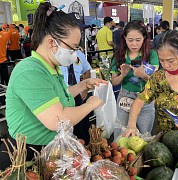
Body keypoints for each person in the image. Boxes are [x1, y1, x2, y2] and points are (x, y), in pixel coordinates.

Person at [0, 2, 106, 170]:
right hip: (27, 155)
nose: (75, 53)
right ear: (51, 43)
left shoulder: (51, 67)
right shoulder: (30, 71)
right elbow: (58, 119)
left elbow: (56, 97)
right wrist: (90, 105)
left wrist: (83, 85)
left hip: (50, 150)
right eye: (72, 48)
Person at [110, 20, 159, 139]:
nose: (134, 44)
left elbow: (156, 83)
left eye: (138, 40)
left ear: (144, 38)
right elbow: (114, 82)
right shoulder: (119, 55)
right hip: (125, 97)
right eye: (130, 40)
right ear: (124, 39)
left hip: (146, 99)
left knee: (144, 136)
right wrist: (122, 75)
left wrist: (143, 75)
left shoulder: (151, 55)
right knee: (121, 135)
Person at [59, 50, 92, 144]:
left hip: (77, 94)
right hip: (62, 95)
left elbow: (87, 70)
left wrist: (84, 89)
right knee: (65, 127)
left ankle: (84, 149)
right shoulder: (56, 56)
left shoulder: (79, 54)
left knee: (82, 127)